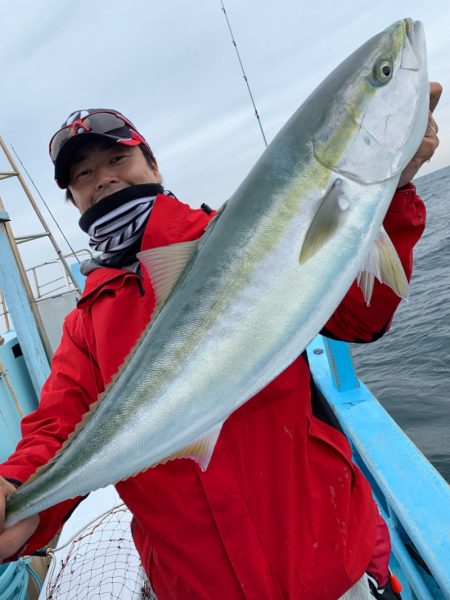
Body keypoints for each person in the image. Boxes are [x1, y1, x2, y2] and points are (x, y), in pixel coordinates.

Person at [0, 83, 442, 599]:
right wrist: (17, 498)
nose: (103, 179)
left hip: (327, 567)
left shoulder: (246, 235)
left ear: (153, 164)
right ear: (73, 198)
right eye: (82, 175)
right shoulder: (87, 323)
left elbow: (362, 319)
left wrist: (391, 191)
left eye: (117, 157)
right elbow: (56, 428)